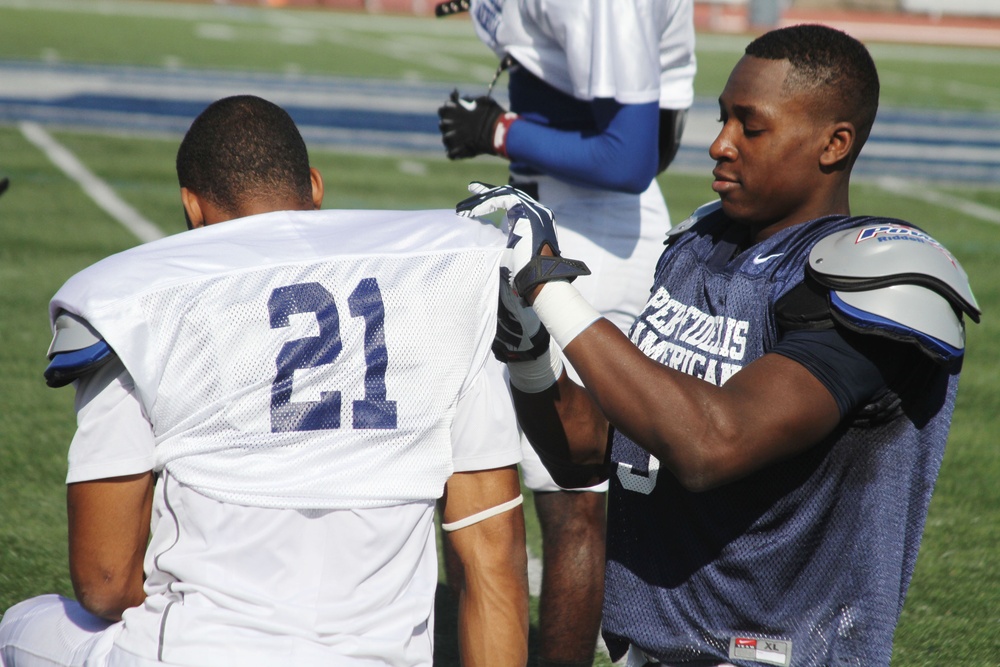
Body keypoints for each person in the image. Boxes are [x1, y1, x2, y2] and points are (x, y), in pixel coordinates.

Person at [457, 24, 980, 667]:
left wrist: (549, 289)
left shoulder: (876, 281)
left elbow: (712, 443)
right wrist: (531, 353)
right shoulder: (699, 247)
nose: (719, 144)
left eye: (749, 127)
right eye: (723, 118)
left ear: (833, 144)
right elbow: (589, 453)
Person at [0, 95, 529, 667]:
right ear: (315, 186)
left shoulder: (136, 300)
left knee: (20, 628)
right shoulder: (447, 281)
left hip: (196, 651)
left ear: (193, 207)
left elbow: (104, 581)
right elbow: (491, 560)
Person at [436, 2, 696, 663]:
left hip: (594, 229)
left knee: (570, 495)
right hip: (549, 208)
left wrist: (500, 135)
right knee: (464, 464)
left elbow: (630, 157)